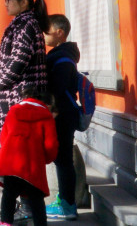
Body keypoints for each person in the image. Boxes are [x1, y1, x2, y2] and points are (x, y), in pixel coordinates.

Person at [0, 0, 49, 144]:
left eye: (9, 0)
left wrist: (1, 83)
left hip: (19, 95)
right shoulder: (26, 22)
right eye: (5, 0)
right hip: (22, 94)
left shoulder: (25, 24)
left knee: (17, 150)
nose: (6, 4)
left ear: (24, 2)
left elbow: (20, 58)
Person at [0, 88, 59, 226]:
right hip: (33, 163)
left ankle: (5, 222)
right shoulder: (46, 116)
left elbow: (4, 137)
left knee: (9, 194)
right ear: (47, 103)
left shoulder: (14, 110)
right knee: (36, 197)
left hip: (11, 161)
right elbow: (51, 144)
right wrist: (45, 159)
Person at [44, 14, 81, 221]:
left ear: (59, 33)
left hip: (62, 115)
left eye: (46, 30)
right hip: (65, 114)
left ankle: (67, 206)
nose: (44, 34)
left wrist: (50, 110)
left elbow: (57, 90)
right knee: (62, 160)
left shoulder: (62, 60)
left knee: (64, 160)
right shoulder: (63, 56)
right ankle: (65, 201)